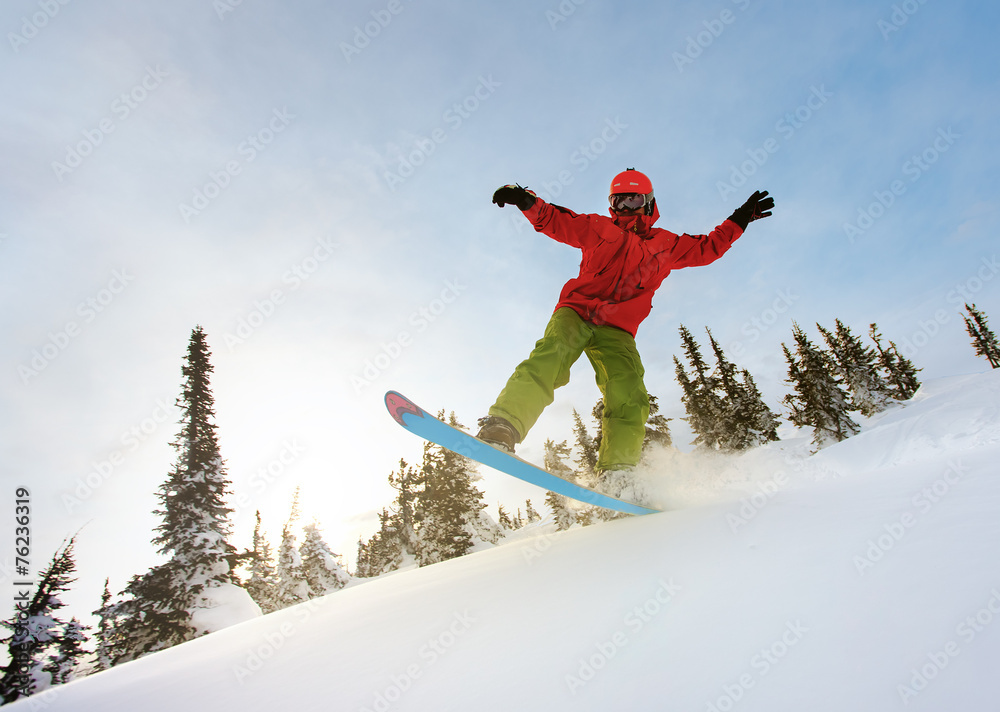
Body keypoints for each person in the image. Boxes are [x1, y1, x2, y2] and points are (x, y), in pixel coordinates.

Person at [476, 168, 773, 482]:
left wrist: (741, 217)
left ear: (648, 202)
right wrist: (524, 199)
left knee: (629, 392)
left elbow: (708, 247)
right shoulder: (598, 227)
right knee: (550, 357)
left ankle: (618, 472)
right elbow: (556, 220)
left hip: (617, 330)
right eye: (618, 201)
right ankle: (503, 425)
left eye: (633, 200)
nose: (625, 208)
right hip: (576, 312)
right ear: (611, 205)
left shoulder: (666, 244)